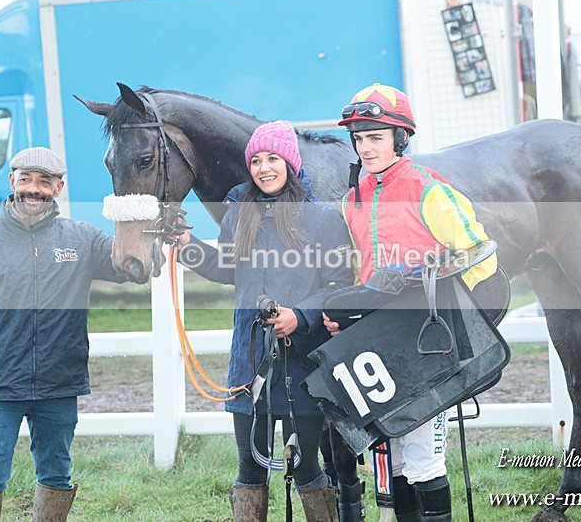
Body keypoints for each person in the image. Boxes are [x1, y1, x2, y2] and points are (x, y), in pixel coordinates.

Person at [0, 147, 129, 522]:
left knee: (56, 473)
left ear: (59, 187)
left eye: (44, 182)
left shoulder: (83, 239)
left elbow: (129, 267)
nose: (33, 189)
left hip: (59, 381)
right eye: (26, 180)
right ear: (12, 182)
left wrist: (145, 229)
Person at [324, 83, 497, 521]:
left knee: (423, 455)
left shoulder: (428, 189)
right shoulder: (351, 201)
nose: (365, 148)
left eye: (375, 137)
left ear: (400, 138)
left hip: (427, 341)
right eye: (359, 138)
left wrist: (461, 325)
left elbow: (479, 256)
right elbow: (359, 272)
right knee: (393, 454)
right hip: (378, 341)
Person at [172, 121, 353, 521]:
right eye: (256, 160)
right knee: (249, 469)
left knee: (307, 467)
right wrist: (188, 245)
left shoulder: (323, 218)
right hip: (250, 362)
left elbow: (341, 285)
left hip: (304, 363)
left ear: (289, 160)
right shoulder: (238, 213)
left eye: (273, 158)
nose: (264, 167)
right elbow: (226, 268)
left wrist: (299, 315)